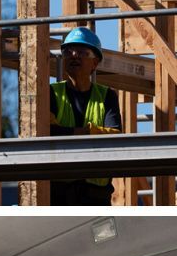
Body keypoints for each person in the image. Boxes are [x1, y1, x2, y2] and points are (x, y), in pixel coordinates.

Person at [49, 27, 122, 206]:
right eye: (68, 51)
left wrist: (70, 133)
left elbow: (114, 136)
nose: (74, 55)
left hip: (95, 196)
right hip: (59, 194)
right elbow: (47, 133)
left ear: (95, 62)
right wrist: (89, 132)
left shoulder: (106, 96)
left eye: (82, 52)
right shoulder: (51, 93)